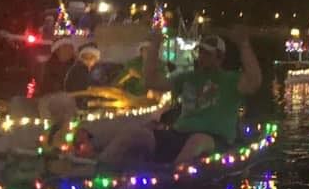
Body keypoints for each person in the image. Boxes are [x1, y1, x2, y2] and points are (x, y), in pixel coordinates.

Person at [99, 27, 262, 167]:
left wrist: (244, 45)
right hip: (179, 134)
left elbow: (254, 81)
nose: (203, 56)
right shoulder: (187, 77)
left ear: (220, 57)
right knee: (134, 133)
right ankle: (99, 172)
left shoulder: (231, 80)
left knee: (197, 141)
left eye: (208, 54)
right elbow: (152, 81)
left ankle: (171, 181)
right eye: (201, 52)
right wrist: (155, 44)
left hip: (214, 139)